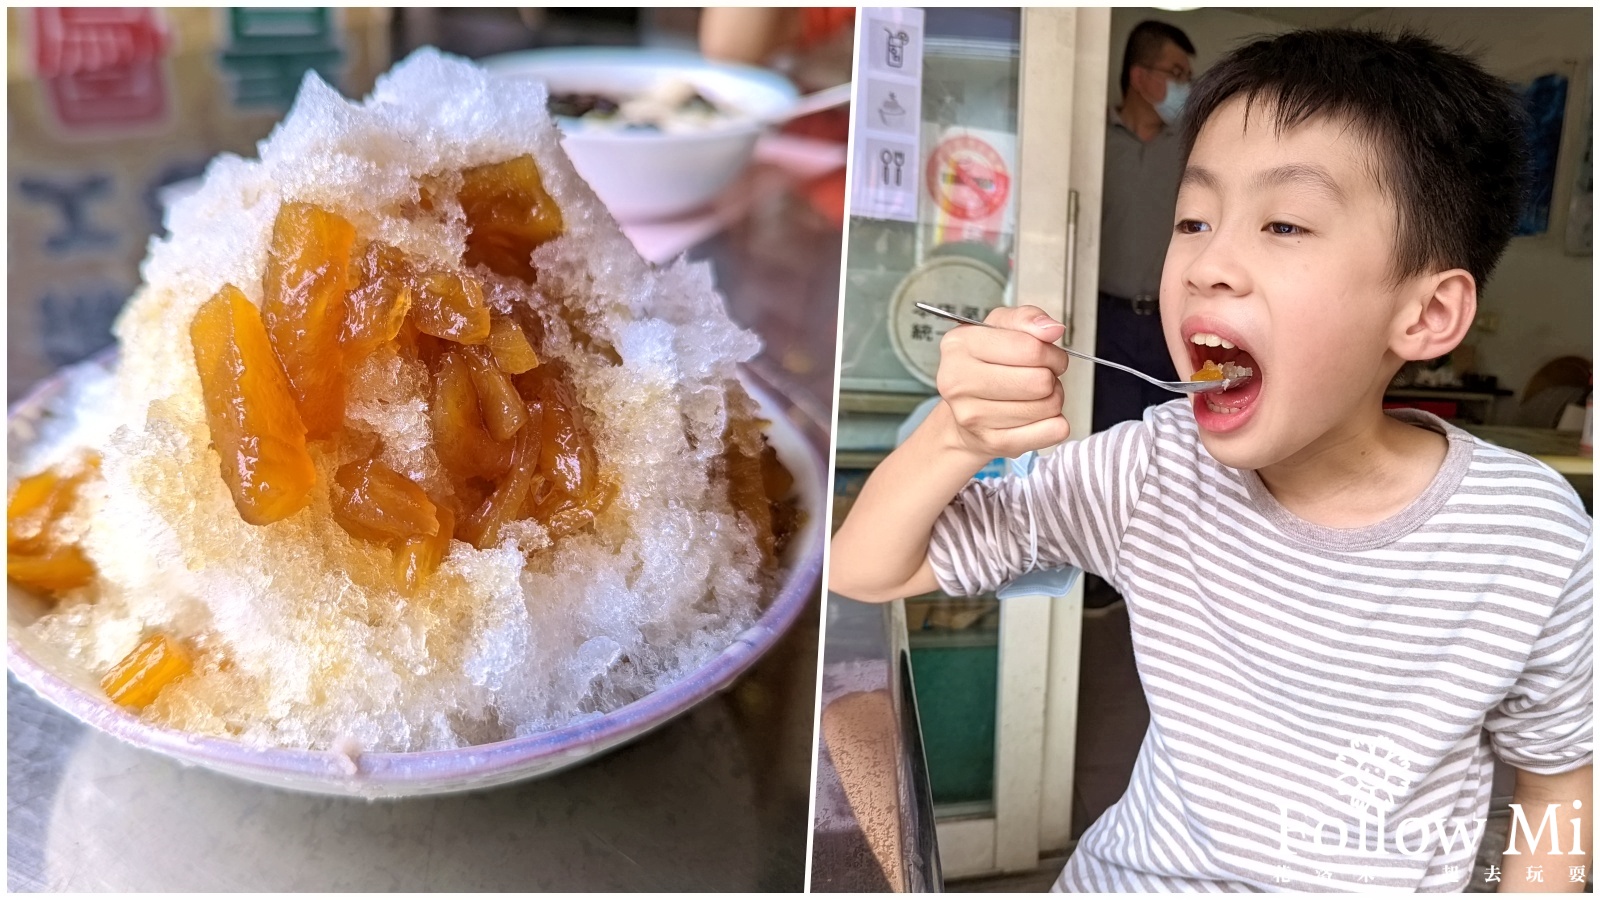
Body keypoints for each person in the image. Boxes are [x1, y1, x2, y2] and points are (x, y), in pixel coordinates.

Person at [829, 28, 1591, 892]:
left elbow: (1560, 781)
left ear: (1425, 315)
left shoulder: (1530, 537)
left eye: (1285, 223)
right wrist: (956, 437)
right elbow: (865, 571)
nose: (1208, 265)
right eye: (1193, 219)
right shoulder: (1155, 470)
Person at [1095, 20, 1195, 435]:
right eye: (1176, 74)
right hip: (1105, 319)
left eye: (1188, 77)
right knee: (1108, 433)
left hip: (1170, 317)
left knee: (1175, 437)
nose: (1186, 87)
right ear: (1139, 77)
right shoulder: (1092, 142)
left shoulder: (1189, 149)